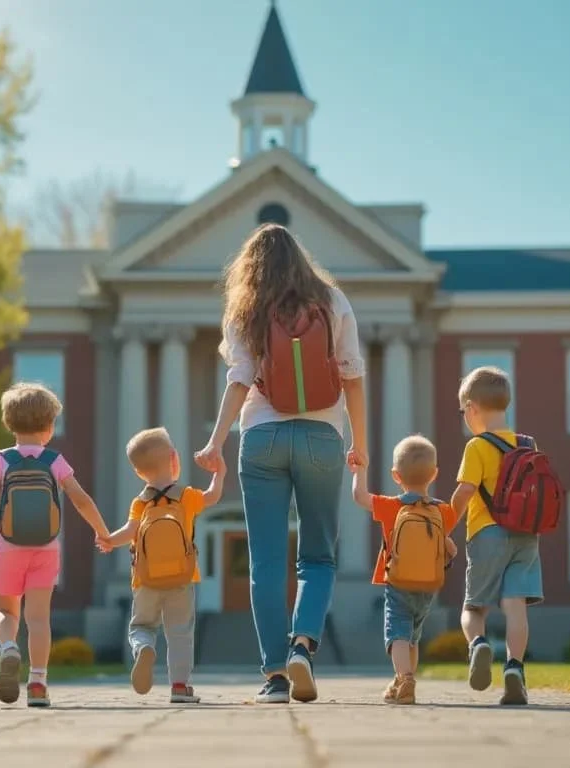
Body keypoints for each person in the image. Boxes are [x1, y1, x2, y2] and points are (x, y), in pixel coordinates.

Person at [195, 223, 368, 704]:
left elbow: (239, 379)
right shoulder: (331, 301)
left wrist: (215, 443)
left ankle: (274, 676)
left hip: (261, 437)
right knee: (317, 555)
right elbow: (353, 376)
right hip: (321, 437)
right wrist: (361, 444)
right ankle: (303, 646)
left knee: (266, 562)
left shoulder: (247, 308)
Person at [0, 382, 110, 708]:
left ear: (9, 423)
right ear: (49, 427)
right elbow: (80, 499)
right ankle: (37, 683)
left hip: (7, 547)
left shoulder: (2, 461)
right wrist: (102, 531)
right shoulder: (54, 460)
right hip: (46, 549)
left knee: (5, 610)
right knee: (38, 619)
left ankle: (8, 649)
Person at [98, 427, 225, 704]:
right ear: (174, 459)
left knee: (141, 625)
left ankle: (144, 647)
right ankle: (180, 686)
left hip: (145, 580)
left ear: (138, 473)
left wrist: (109, 540)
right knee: (180, 633)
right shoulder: (187, 496)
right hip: (181, 578)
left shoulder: (140, 502)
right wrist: (219, 472)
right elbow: (213, 496)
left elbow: (130, 532)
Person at [448, 366, 544, 706]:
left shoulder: (477, 447)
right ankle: (515, 668)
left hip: (487, 534)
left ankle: (479, 645)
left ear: (473, 408)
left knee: (474, 607)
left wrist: (445, 527)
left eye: (463, 411)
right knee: (515, 603)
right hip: (526, 535)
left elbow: (464, 493)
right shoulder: (527, 444)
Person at [351, 435, 458, 704]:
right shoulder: (442, 511)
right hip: (428, 586)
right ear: (433, 475)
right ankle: (403, 679)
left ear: (396, 476)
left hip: (398, 582)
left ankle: (405, 677)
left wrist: (359, 470)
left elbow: (359, 497)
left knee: (397, 633)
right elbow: (451, 549)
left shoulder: (392, 506)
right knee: (413, 637)